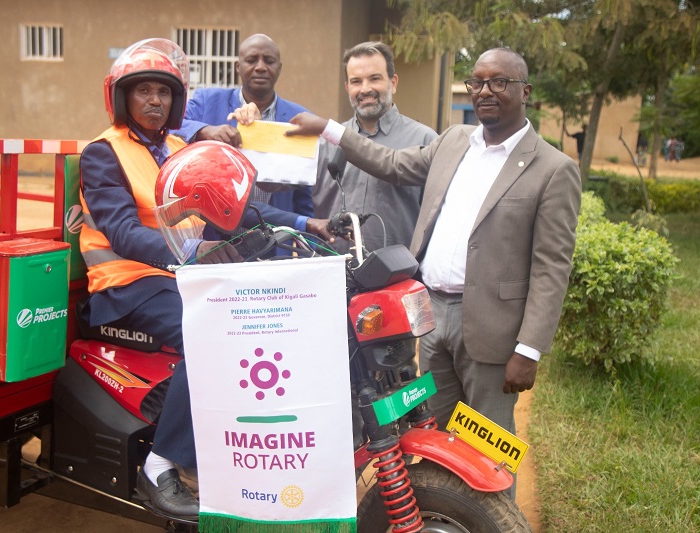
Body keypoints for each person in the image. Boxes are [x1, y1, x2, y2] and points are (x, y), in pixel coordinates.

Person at [264, 47, 582, 498]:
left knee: (489, 446)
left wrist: (528, 350)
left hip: (492, 326)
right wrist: (331, 130)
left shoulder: (553, 169)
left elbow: (552, 267)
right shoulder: (454, 141)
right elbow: (393, 165)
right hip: (430, 317)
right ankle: (446, 517)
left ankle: (496, 523)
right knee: (434, 436)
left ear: (525, 91)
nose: (486, 91)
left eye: (500, 82)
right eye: (478, 82)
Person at [79, 38, 244, 518]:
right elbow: (124, 232)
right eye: (143, 91)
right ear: (122, 98)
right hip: (126, 284)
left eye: (164, 92)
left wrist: (301, 226)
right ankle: (161, 462)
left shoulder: (178, 147)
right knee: (210, 334)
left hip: (176, 279)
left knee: (252, 320)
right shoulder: (102, 153)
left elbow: (227, 210)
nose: (155, 100)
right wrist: (194, 252)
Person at [174, 34, 329, 240]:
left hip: (274, 243)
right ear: (238, 67)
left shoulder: (298, 119)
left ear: (280, 68)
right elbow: (171, 127)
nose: (261, 67)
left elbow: (302, 196)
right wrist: (204, 131)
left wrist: (306, 245)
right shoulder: (206, 102)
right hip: (214, 237)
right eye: (251, 60)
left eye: (269, 60)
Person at [313, 41, 437, 254]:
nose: (365, 89)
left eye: (375, 78)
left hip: (399, 279)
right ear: (347, 88)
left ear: (393, 82)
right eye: (356, 81)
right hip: (333, 276)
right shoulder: (324, 143)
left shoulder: (425, 141)